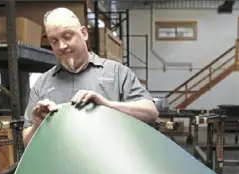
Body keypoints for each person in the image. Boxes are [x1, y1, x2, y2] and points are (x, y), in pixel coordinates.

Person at [22, 7, 159, 147]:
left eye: (67, 36)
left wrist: (107, 106)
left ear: (84, 33)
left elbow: (151, 112)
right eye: (54, 41)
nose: (61, 46)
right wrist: (36, 127)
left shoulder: (117, 72)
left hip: (109, 165)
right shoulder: (42, 83)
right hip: (60, 166)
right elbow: (27, 143)